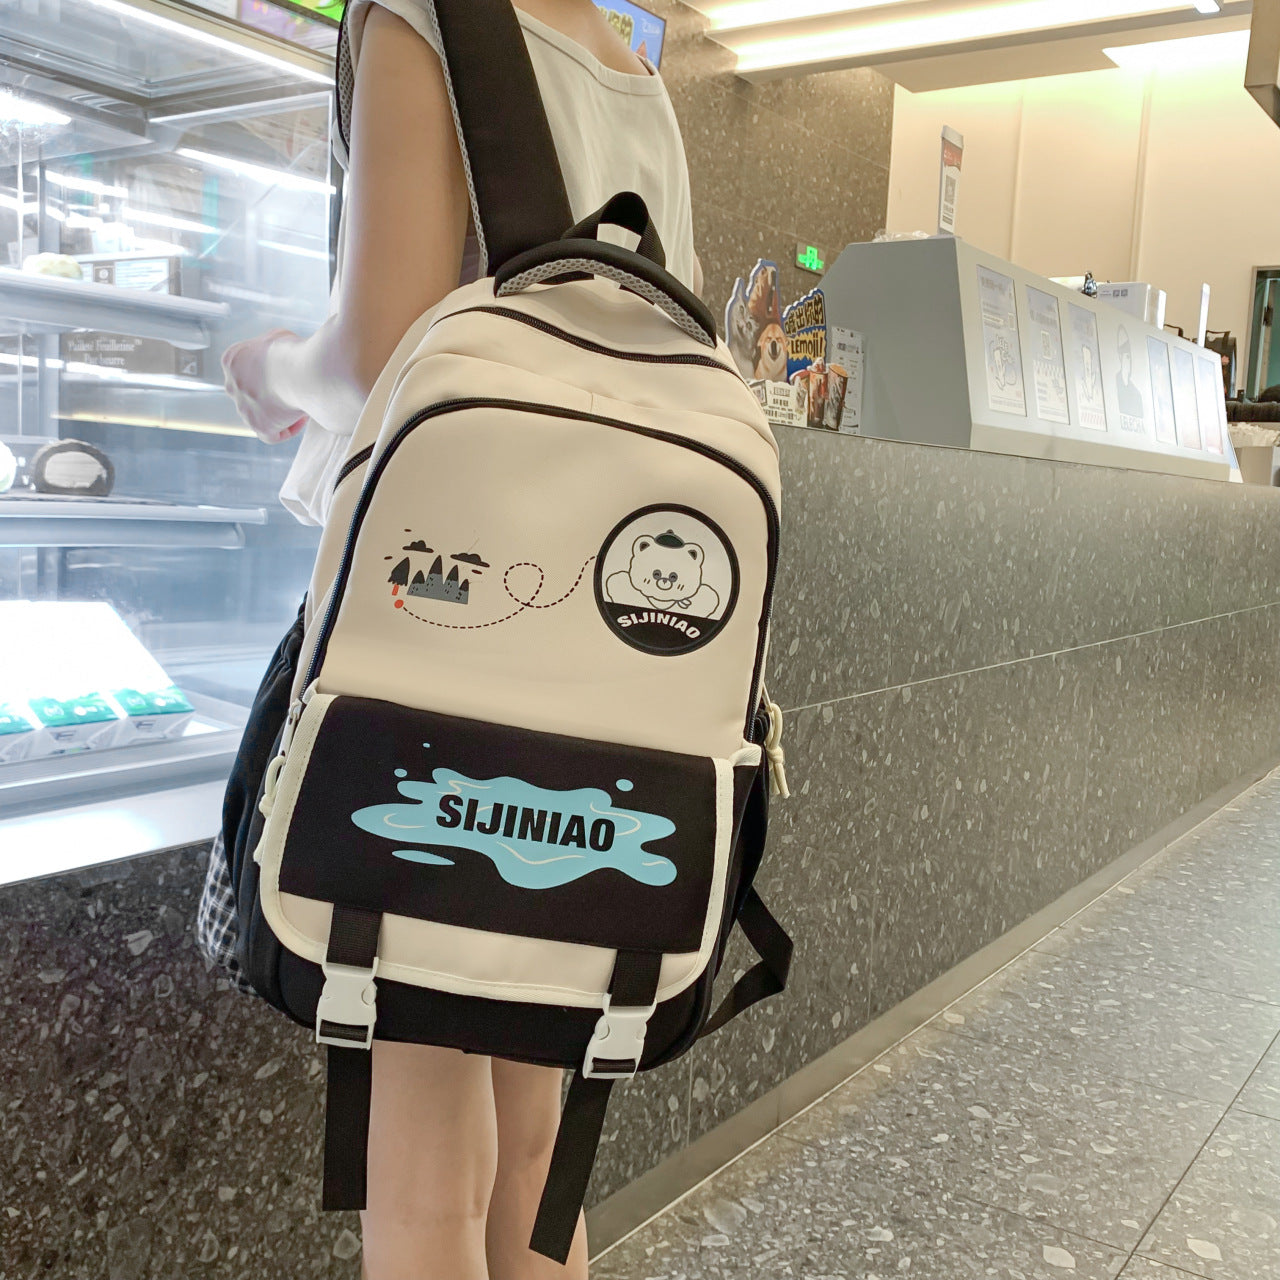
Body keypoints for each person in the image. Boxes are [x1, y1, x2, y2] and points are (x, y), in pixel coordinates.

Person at [219, 3, 701, 1277]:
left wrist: (268, 368)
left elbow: (380, 352)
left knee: (427, 1169)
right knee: (533, 1149)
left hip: (439, 651)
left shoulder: (425, 18)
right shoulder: (629, 66)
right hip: (596, 685)